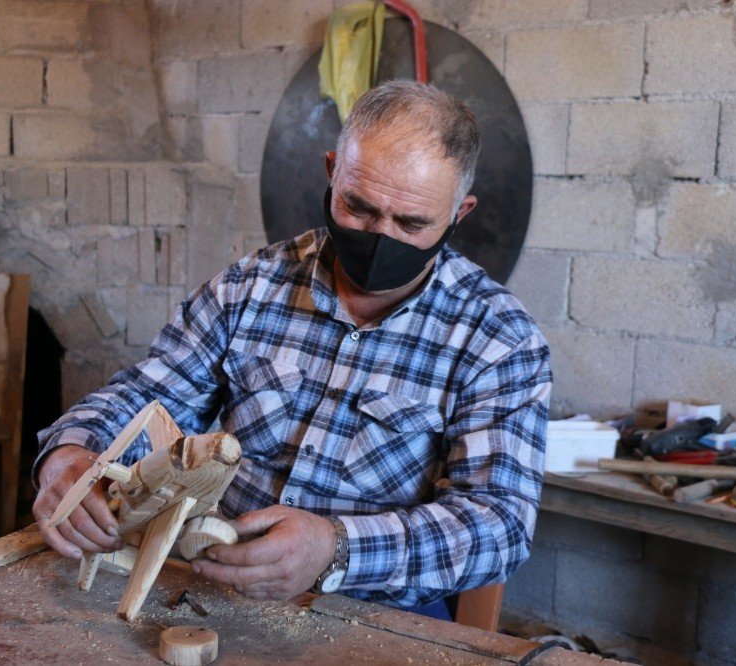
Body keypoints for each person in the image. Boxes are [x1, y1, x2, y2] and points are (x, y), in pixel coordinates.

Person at [33, 80, 552, 613]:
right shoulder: (249, 287)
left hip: (374, 610)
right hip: (219, 582)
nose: (380, 236)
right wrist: (70, 457)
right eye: (358, 207)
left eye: (411, 223)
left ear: (459, 213)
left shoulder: (498, 339)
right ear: (333, 171)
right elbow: (146, 400)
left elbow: (500, 525)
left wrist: (335, 548)